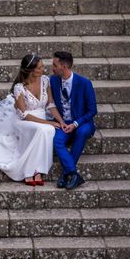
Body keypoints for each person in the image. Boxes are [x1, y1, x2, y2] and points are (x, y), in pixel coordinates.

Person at [0, 54, 64, 186]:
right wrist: (49, 122)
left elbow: (51, 104)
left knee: (48, 130)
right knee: (44, 129)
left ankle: (36, 170)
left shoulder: (45, 81)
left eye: (42, 67)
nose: (43, 69)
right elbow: (23, 115)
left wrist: (60, 121)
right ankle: (29, 172)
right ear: (30, 70)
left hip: (41, 119)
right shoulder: (19, 87)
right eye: (39, 68)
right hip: (24, 121)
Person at [49, 51, 98, 190]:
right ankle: (73, 174)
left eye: (54, 65)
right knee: (57, 141)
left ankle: (65, 174)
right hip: (62, 122)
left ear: (64, 67)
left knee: (82, 132)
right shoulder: (52, 80)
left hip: (81, 123)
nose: (52, 68)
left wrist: (75, 124)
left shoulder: (84, 83)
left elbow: (92, 110)